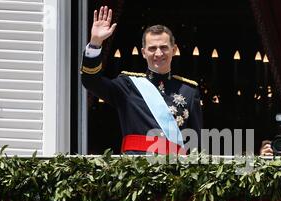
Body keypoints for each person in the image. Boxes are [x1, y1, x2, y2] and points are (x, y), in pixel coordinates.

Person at [81, 6, 203, 155]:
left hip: (174, 173)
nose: (158, 53)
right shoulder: (128, 85)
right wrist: (95, 43)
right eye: (152, 48)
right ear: (143, 53)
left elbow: (196, 145)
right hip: (135, 172)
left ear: (174, 49)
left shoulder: (189, 91)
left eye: (164, 47)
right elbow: (91, 81)